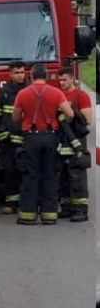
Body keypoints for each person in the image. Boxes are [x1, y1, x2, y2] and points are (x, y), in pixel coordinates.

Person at [12, 63, 74, 225]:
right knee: (50, 176)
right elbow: (70, 114)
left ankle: (28, 215)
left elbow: (15, 117)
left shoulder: (22, 94)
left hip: (30, 138)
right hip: (50, 137)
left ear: (31, 76)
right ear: (46, 76)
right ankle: (49, 215)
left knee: (30, 176)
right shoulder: (56, 93)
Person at [0, 62, 29, 215]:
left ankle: (25, 202)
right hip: (8, 140)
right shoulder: (5, 91)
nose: (20, 75)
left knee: (25, 172)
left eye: (22, 72)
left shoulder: (28, 90)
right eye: (17, 72)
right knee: (10, 172)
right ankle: (12, 202)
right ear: (10, 74)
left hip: (25, 139)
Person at [56, 67, 93, 222]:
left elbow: (87, 119)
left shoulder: (81, 96)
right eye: (60, 81)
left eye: (64, 80)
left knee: (77, 176)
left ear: (72, 78)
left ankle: (80, 210)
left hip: (77, 139)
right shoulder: (59, 95)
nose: (62, 83)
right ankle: (67, 207)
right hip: (62, 140)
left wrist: (70, 112)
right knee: (63, 176)